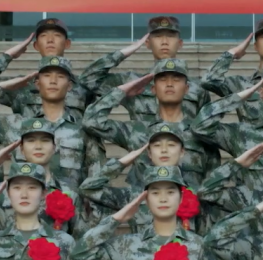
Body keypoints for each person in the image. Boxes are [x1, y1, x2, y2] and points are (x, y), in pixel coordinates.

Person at [73, 165, 225, 260]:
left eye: (170, 192)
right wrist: (116, 219)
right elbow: (80, 253)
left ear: (181, 198)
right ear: (145, 199)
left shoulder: (199, 246)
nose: (163, 199)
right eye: (155, 192)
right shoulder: (128, 245)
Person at [0, 56, 107, 190]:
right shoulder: (16, 125)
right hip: (23, 206)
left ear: (69, 86)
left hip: (68, 207)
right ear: (37, 84)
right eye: (47, 76)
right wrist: (1, 88)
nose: (53, 81)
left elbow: (97, 176)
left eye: (60, 76)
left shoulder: (83, 129)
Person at [83, 59, 219, 188]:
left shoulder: (200, 132)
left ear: (186, 89)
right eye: (163, 79)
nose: (169, 84)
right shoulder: (137, 130)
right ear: (153, 89)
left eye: (176, 79)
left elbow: (211, 184)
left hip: (190, 204)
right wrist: (122, 91)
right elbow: (91, 121)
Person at [79, 123, 205, 233]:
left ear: (182, 152)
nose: (164, 150)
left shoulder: (198, 194)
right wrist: (122, 162)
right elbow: (87, 188)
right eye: (157, 145)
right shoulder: (136, 195)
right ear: (149, 153)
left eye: (171, 145)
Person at [79, 16, 210, 122]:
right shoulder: (134, 83)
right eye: (158, 36)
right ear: (147, 43)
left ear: (180, 43)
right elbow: (87, 80)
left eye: (170, 36)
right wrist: (126, 51)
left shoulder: (196, 88)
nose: (164, 41)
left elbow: (205, 128)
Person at [0, 18, 93, 120]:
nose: (50, 40)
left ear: (67, 43)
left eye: (57, 35)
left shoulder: (82, 86)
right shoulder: (21, 85)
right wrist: (8, 56)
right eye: (43, 36)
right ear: (36, 45)